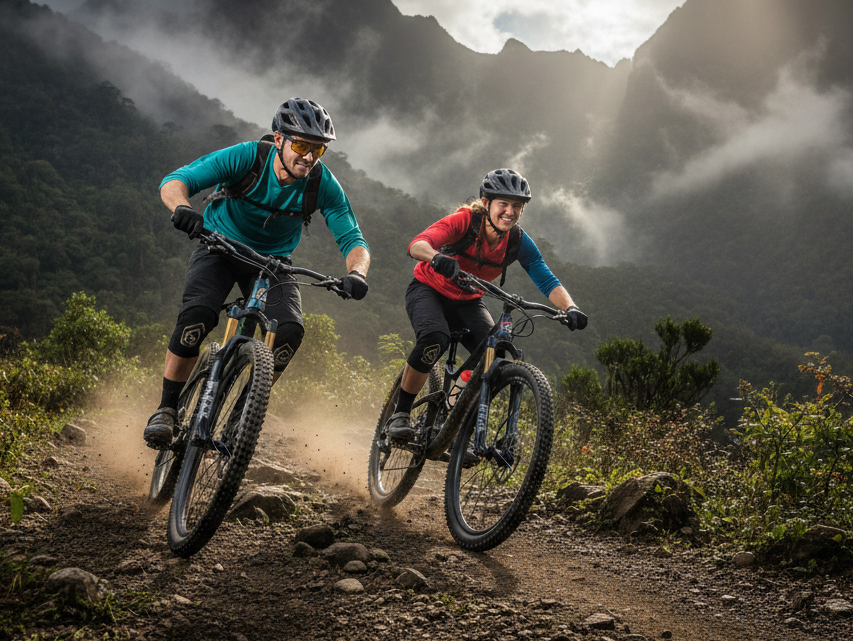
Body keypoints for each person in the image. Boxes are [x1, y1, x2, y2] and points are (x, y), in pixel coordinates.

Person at [144, 98, 371, 447]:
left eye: (318, 151)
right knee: (198, 315)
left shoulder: (320, 183)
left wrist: (357, 273)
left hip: (273, 262)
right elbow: (177, 180)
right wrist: (183, 208)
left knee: (290, 332)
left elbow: (352, 237)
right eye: (301, 146)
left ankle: (244, 412)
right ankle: (167, 409)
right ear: (278, 139)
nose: (309, 157)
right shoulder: (248, 157)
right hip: (218, 246)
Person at [385, 168, 587, 441]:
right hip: (428, 290)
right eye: (503, 204)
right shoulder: (464, 222)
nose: (510, 212)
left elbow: (545, 277)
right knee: (435, 338)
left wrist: (570, 308)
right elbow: (417, 244)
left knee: (491, 356)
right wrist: (435, 258)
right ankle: (401, 414)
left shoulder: (516, 241)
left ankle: (449, 419)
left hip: (469, 300)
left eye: (517, 206)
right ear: (485, 203)